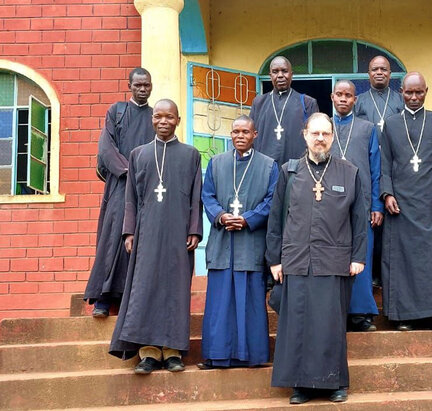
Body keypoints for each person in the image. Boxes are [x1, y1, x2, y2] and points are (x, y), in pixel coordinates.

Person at [266, 112, 367, 404]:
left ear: (333, 137)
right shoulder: (289, 171)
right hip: (296, 260)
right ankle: (300, 385)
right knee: (297, 324)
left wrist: (358, 256)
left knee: (330, 325)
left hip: (335, 261)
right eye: (315, 133)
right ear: (305, 135)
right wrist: (275, 260)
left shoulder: (349, 172)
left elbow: (359, 219)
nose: (320, 139)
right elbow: (276, 219)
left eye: (325, 134)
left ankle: (333, 383)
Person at [109, 99, 203, 374]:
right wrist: (129, 231)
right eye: (158, 117)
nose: (163, 121)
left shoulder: (190, 154)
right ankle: (148, 352)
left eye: (169, 117)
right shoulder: (139, 154)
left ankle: (172, 351)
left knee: (175, 290)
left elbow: (195, 196)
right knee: (145, 288)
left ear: (178, 120)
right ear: (153, 120)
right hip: (146, 233)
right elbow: (131, 199)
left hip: (178, 234)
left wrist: (195, 230)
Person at [198, 115, 278, 369]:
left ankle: (252, 356)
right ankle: (218, 356)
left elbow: (273, 200)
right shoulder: (216, 163)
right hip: (222, 243)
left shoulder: (268, 165)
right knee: (219, 303)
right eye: (235, 132)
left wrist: (248, 219)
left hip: (251, 244)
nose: (240, 136)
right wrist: (221, 216)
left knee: (250, 302)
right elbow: (207, 195)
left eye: (245, 132)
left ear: (255, 135)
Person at [380, 72, 432, 332]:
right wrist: (387, 193)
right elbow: (385, 162)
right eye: (409, 92)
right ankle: (405, 316)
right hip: (401, 203)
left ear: (426, 91)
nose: (413, 97)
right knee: (403, 259)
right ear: (401, 92)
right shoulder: (390, 124)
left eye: (418, 92)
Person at [84, 68, 154, 318]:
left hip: (146, 186)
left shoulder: (156, 116)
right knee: (113, 236)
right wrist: (127, 170)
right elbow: (106, 146)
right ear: (130, 86)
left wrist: (145, 175)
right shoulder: (117, 111)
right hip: (121, 183)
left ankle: (127, 297)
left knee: (137, 237)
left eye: (147, 85)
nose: (143, 89)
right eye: (138, 85)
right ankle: (102, 298)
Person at [330, 80, 383, 332]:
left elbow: (375, 170)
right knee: (332, 257)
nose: (343, 99)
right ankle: (334, 311)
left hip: (360, 204)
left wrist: (376, 205)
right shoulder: (323, 127)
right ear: (332, 97)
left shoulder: (367, 128)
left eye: (348, 95)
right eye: (339, 94)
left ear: (355, 100)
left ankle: (361, 314)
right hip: (327, 206)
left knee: (361, 257)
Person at [354, 55, 404, 287]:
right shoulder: (360, 102)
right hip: (368, 166)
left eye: (384, 69)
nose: (380, 73)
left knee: (392, 222)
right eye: (375, 69)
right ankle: (372, 272)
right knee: (371, 220)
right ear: (369, 73)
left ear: (390, 74)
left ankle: (389, 273)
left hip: (396, 167)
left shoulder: (400, 100)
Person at [250, 56, 319, 166]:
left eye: (284, 71)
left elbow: (316, 138)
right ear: (270, 76)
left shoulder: (307, 103)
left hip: (296, 169)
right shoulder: (258, 103)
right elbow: (250, 137)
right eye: (275, 72)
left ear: (291, 74)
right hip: (264, 168)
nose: (280, 75)